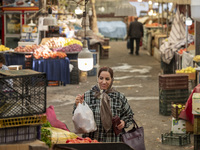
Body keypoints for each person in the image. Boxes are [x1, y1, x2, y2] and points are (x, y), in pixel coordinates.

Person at [73, 66, 134, 142]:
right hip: (92, 141)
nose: (104, 82)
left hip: (113, 141)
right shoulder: (88, 96)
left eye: (107, 79)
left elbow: (129, 115)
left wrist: (124, 122)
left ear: (112, 80)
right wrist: (78, 106)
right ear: (97, 79)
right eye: (101, 78)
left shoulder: (119, 97)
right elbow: (77, 118)